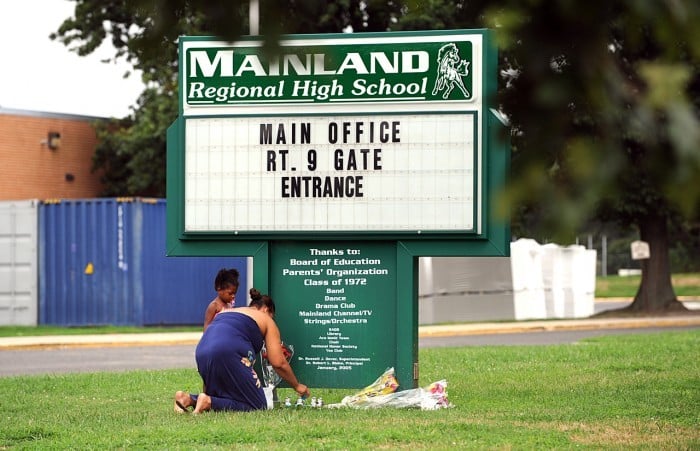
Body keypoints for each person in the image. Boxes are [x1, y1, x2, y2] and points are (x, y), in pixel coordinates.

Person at [174, 288, 310, 413]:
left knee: (226, 394)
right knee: (258, 405)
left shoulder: (230, 311)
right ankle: (208, 402)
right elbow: (278, 362)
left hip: (202, 350)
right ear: (266, 310)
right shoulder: (266, 320)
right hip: (229, 351)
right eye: (271, 315)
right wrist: (297, 386)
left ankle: (187, 399)